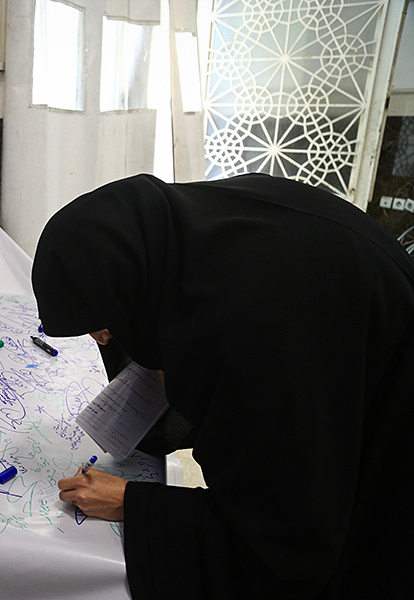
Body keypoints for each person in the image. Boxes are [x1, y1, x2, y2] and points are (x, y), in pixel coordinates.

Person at [31, 173, 414, 599]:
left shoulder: (247, 331)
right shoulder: (191, 236)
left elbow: (284, 547)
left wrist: (132, 504)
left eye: (105, 325)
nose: (104, 339)